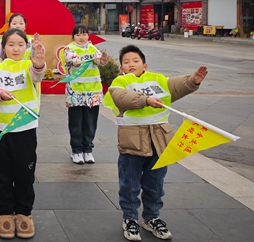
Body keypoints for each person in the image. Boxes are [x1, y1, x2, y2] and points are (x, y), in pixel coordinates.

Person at [103, 44, 208, 241]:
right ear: (121, 68)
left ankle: (151, 218)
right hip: (132, 143)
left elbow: (175, 85)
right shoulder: (120, 81)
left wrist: (192, 81)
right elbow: (121, 97)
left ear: (145, 65)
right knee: (130, 184)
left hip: (159, 141)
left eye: (135, 61)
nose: (131, 64)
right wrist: (145, 100)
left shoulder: (158, 80)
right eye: (126, 62)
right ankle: (130, 219)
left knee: (155, 184)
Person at [0, 28, 46, 240]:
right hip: (0, 130)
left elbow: (37, 75)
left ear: (26, 47)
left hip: (25, 130)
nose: (16, 48)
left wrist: (39, 64)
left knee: (24, 174)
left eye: (20, 44)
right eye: (11, 44)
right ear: (3, 47)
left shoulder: (29, 65)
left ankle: (24, 213)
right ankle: (4, 213)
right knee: (1, 174)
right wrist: (0, 93)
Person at [63, 24, 109, 164]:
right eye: (78, 35)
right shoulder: (69, 48)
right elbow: (70, 58)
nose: (81, 37)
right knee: (76, 123)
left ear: (88, 36)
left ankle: (88, 150)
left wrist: (103, 60)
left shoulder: (92, 48)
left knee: (90, 123)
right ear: (73, 37)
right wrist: (75, 61)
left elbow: (99, 60)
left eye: (84, 34)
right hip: (76, 93)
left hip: (92, 93)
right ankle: (77, 151)